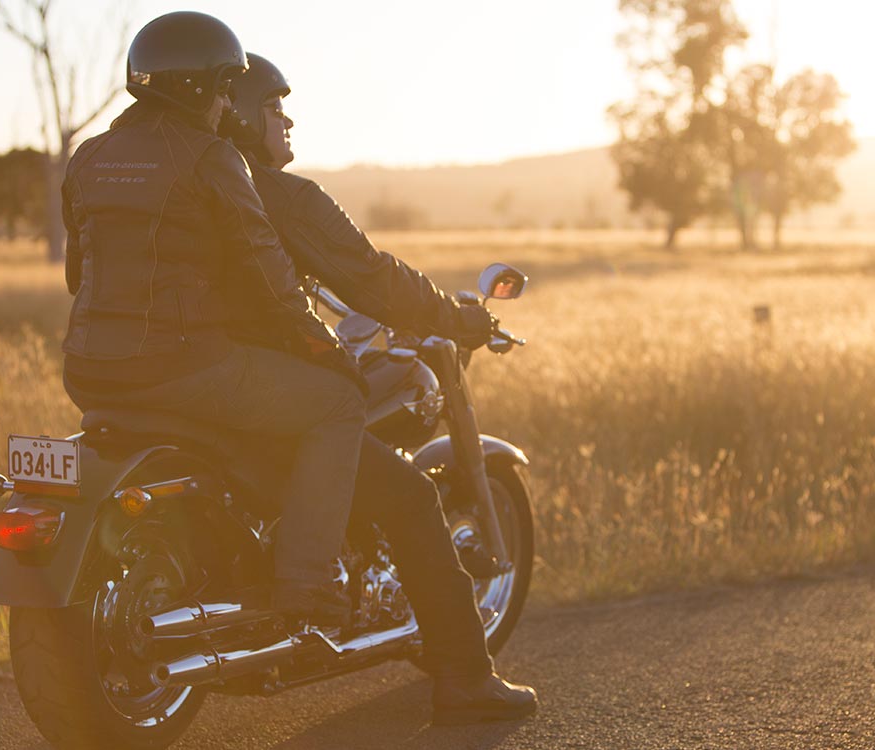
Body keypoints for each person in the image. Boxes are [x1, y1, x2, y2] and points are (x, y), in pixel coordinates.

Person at [218, 53, 538, 725]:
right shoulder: (280, 196)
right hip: (269, 402)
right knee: (412, 497)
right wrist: (459, 321)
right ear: (243, 115)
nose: (288, 117)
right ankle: (465, 682)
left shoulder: (177, 192)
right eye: (276, 106)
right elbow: (373, 277)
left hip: (189, 395)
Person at [59, 13, 364, 624]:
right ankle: (307, 585)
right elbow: (270, 277)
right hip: (181, 368)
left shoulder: (89, 157)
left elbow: (77, 274)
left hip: (88, 371)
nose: (230, 103)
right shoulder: (212, 156)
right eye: (227, 87)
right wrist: (324, 347)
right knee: (339, 403)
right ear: (198, 87)